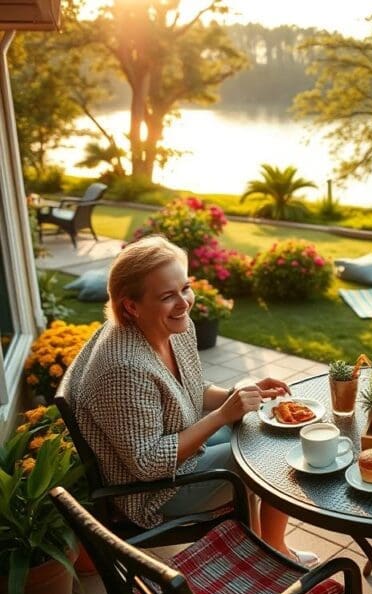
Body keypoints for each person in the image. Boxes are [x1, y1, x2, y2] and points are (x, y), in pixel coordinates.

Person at [59, 235, 317, 565]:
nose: (184, 303)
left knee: (265, 428)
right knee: (270, 456)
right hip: (155, 491)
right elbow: (147, 463)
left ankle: (266, 546)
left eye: (185, 288)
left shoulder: (171, 326)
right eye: (168, 296)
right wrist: (223, 415)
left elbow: (189, 387)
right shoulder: (122, 369)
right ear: (131, 306)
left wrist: (236, 397)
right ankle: (273, 552)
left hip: (181, 451)